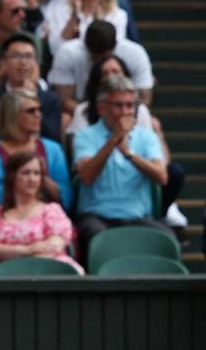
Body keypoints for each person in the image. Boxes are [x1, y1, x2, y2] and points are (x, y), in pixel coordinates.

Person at [72, 74, 169, 258]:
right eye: (118, 105)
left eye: (130, 105)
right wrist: (113, 140)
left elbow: (162, 176)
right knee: (95, 236)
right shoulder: (85, 136)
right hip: (97, 217)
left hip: (138, 218)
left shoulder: (146, 136)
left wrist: (129, 154)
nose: (125, 111)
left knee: (166, 238)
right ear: (101, 108)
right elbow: (86, 176)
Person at [0, 151, 83, 274]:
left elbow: (53, 247)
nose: (32, 179)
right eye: (26, 173)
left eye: (37, 173)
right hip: (7, 275)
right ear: (12, 176)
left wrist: (16, 258)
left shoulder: (51, 211)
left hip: (52, 270)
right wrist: (27, 250)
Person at [0, 89, 73, 211]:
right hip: (5, 218)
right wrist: (20, 182)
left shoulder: (53, 149)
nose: (38, 115)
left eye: (39, 110)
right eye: (31, 111)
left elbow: (67, 197)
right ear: (12, 114)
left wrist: (45, 182)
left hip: (46, 218)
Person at [48, 19, 153, 115]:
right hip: (82, 111)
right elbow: (64, 99)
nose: (100, 61)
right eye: (95, 56)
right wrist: (98, 115)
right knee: (65, 120)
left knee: (153, 124)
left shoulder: (135, 54)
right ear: (86, 46)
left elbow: (144, 99)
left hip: (124, 110)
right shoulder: (68, 53)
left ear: (114, 47)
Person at [0, 33, 61, 143]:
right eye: (16, 56)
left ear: (36, 63)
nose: (23, 62)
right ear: (3, 63)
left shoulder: (49, 99)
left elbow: (53, 136)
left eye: (28, 56)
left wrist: (33, 100)